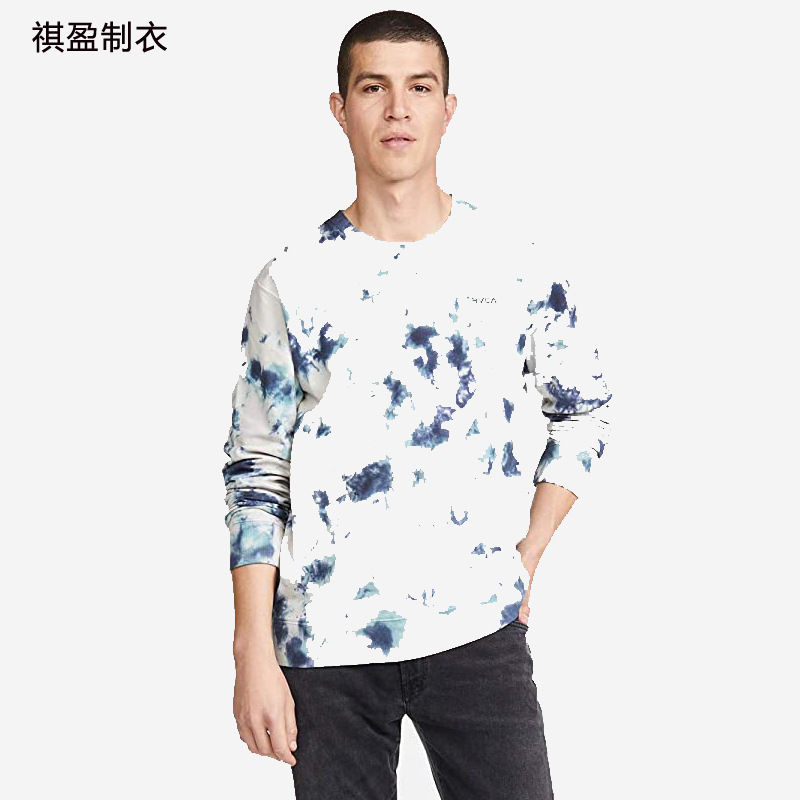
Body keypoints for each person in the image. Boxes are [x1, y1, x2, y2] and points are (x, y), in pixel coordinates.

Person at [221, 10, 613, 799]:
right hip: (326, 644)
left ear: (448, 108)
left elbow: (584, 411)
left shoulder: (514, 261)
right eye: (374, 88)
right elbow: (257, 470)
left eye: (419, 88)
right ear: (341, 109)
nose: (398, 109)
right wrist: (251, 651)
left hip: (477, 626)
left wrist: (528, 553)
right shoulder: (292, 279)